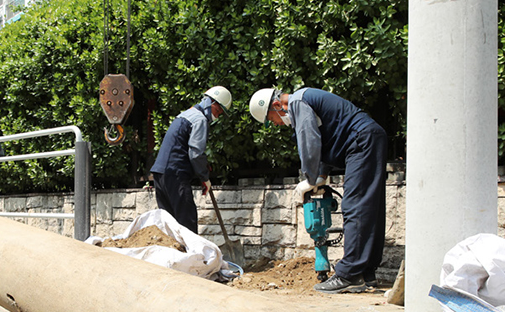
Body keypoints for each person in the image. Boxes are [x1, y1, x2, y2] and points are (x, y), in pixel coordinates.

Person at [249, 87, 387, 294]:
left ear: (277, 106)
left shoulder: (298, 103)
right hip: (367, 138)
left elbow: (310, 142)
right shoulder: (305, 100)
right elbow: (327, 139)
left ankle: (349, 275)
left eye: (271, 119)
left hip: (361, 141)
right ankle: (366, 272)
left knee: (355, 206)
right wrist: (321, 176)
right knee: (370, 207)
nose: (276, 125)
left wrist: (310, 178)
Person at [150, 86, 232, 233]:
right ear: (212, 103)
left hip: (160, 173)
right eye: (218, 111)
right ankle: (192, 255)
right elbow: (196, 154)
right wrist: (204, 177)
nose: (217, 116)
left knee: (169, 225)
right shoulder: (200, 120)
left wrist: (202, 168)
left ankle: (174, 255)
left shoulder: (185, 115)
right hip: (175, 174)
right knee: (187, 221)